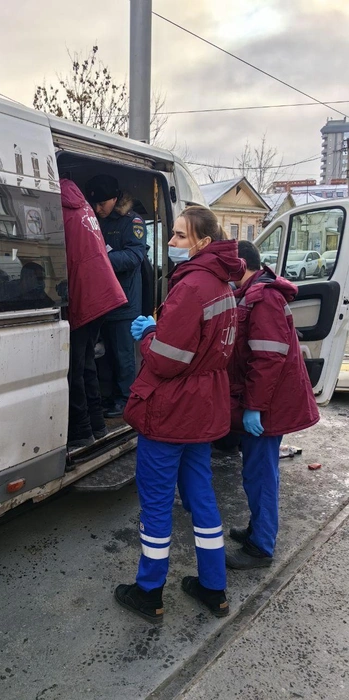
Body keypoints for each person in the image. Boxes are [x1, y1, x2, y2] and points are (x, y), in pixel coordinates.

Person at [114, 206, 245, 623]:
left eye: (179, 237)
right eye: (171, 235)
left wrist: (149, 334)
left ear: (203, 243)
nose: (170, 243)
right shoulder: (223, 284)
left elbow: (168, 360)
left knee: (156, 504)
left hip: (172, 411)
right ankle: (213, 587)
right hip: (204, 407)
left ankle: (149, 593)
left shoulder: (192, 288)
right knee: (202, 498)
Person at [226, 240, 320, 569]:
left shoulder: (262, 298)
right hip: (267, 401)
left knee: (261, 474)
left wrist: (253, 406)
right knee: (258, 472)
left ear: (242, 264)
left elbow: (267, 359)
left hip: (268, 405)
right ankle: (257, 529)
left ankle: (261, 547)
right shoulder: (249, 294)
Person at [60, 178, 127, 450]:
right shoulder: (81, 206)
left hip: (85, 295)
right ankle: (97, 425)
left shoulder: (59, 208)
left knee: (74, 366)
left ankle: (81, 430)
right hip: (102, 292)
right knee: (86, 361)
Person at [85, 174, 146, 418]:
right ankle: (109, 395)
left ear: (114, 198)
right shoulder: (94, 220)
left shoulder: (131, 222)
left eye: (102, 203)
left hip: (124, 301)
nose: (98, 209)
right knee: (105, 352)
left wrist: (100, 261)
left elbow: (134, 256)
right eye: (95, 205)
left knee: (123, 354)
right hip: (101, 300)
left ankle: (125, 399)